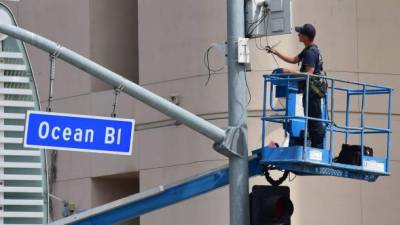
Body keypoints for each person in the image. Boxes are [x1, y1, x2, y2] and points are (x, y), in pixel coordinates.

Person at [266, 23, 324, 148]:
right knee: (311, 119)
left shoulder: (310, 53)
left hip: (312, 92)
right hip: (309, 91)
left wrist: (290, 71)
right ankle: (315, 145)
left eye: (300, 33)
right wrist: (276, 52)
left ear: (306, 37)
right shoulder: (309, 49)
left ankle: (317, 147)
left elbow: (309, 73)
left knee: (314, 121)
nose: (298, 35)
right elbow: (294, 59)